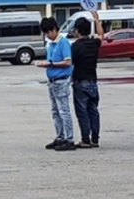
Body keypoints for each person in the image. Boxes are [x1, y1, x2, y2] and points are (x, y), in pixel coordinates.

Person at [35, 17, 75, 152]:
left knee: (64, 111)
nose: (47, 36)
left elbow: (67, 62)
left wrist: (50, 64)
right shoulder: (51, 44)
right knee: (55, 111)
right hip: (52, 81)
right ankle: (60, 137)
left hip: (61, 81)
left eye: (48, 33)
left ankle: (69, 139)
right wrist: (44, 63)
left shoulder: (63, 43)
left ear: (54, 30)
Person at [71, 12, 104, 148]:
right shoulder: (94, 43)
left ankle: (85, 139)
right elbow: (102, 35)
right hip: (93, 81)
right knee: (93, 110)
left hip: (80, 81)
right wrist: (97, 21)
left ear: (77, 31)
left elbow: (71, 63)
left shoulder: (75, 46)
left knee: (82, 112)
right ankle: (95, 139)